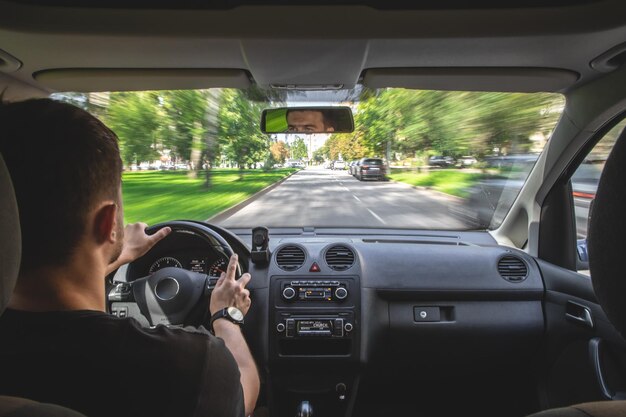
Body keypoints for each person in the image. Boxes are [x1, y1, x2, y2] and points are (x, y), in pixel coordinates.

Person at [0, 98, 259, 417]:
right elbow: (244, 394)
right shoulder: (189, 365)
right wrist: (226, 316)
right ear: (109, 222)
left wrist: (112, 256)